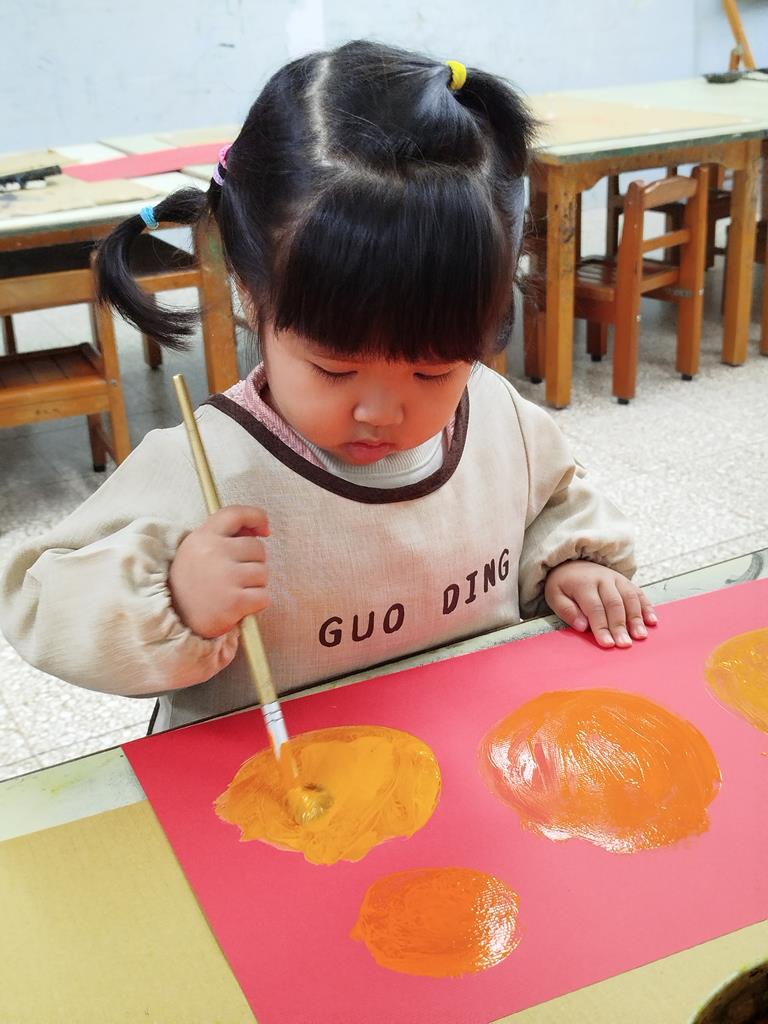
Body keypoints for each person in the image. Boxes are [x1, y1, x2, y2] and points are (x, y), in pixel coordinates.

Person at [0, 41, 655, 732]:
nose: (381, 411)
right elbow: (37, 604)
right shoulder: (204, 467)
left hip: (463, 756)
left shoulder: (498, 418)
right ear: (251, 293)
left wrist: (567, 568)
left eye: (433, 370)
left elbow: (553, 502)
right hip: (271, 781)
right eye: (336, 369)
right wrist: (174, 597)